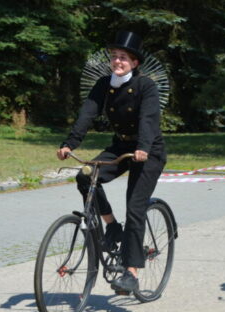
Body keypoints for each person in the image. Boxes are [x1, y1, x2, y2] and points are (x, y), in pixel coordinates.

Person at [57, 31, 166, 292]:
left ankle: (131, 272)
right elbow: (87, 113)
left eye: (124, 58)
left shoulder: (146, 86)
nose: (117, 61)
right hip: (120, 146)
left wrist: (143, 147)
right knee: (85, 176)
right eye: (115, 57)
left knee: (135, 207)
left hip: (147, 151)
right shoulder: (104, 84)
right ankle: (112, 226)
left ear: (134, 63)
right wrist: (70, 143)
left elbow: (148, 120)